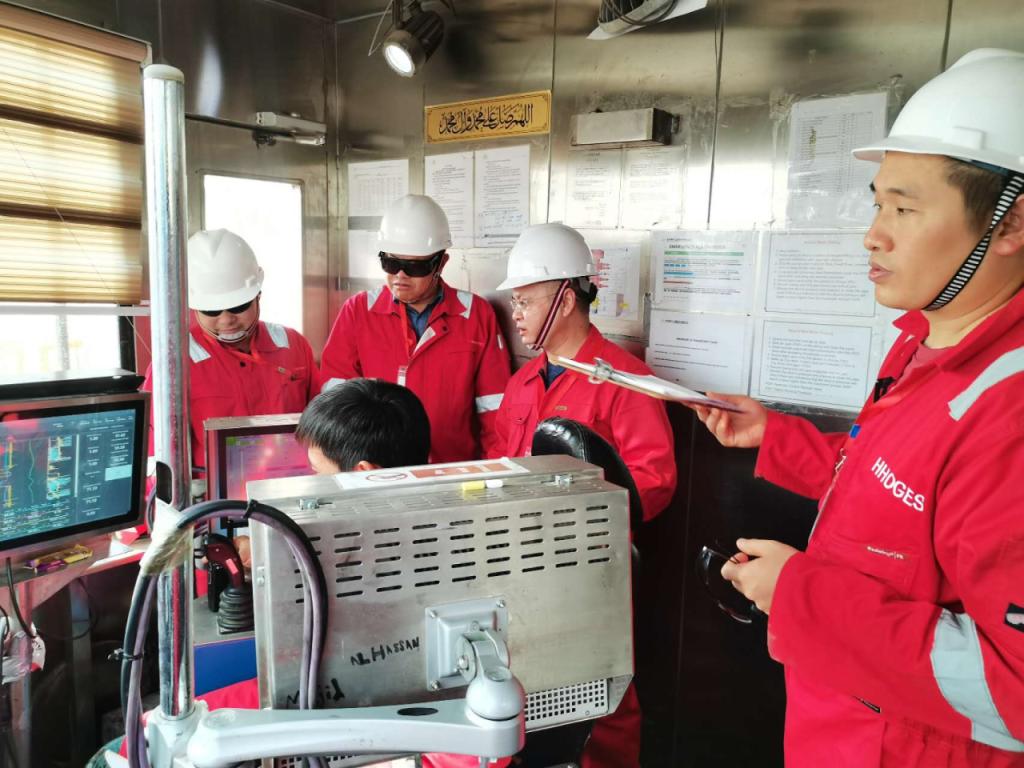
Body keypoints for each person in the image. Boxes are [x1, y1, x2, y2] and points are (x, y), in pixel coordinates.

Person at [694, 49, 1024, 768]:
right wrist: (773, 437)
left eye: (904, 208)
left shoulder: (1010, 412)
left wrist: (800, 596)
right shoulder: (924, 340)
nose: (873, 233)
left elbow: (1016, 690)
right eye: (878, 204)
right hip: (838, 732)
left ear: (1011, 223)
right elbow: (893, 490)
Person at [489, 222, 677, 768]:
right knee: (532, 696)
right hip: (520, 573)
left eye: (526, 301)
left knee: (602, 703)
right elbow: (500, 463)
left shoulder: (624, 381)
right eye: (514, 301)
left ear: (566, 299)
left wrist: (579, 523)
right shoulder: (523, 383)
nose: (516, 313)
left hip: (591, 578)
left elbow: (654, 482)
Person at [320, 194, 511, 463]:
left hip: (453, 471)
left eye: (415, 266)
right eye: (391, 263)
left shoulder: (476, 315)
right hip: (377, 471)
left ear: (441, 263)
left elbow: (496, 409)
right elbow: (336, 406)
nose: (400, 275)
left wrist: (495, 471)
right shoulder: (358, 312)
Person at [141, 228, 320, 475]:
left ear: (258, 296)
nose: (227, 321)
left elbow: (324, 424)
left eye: (238, 307)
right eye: (212, 311)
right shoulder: (174, 364)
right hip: (213, 495)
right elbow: (156, 455)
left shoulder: (293, 345)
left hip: (291, 486)